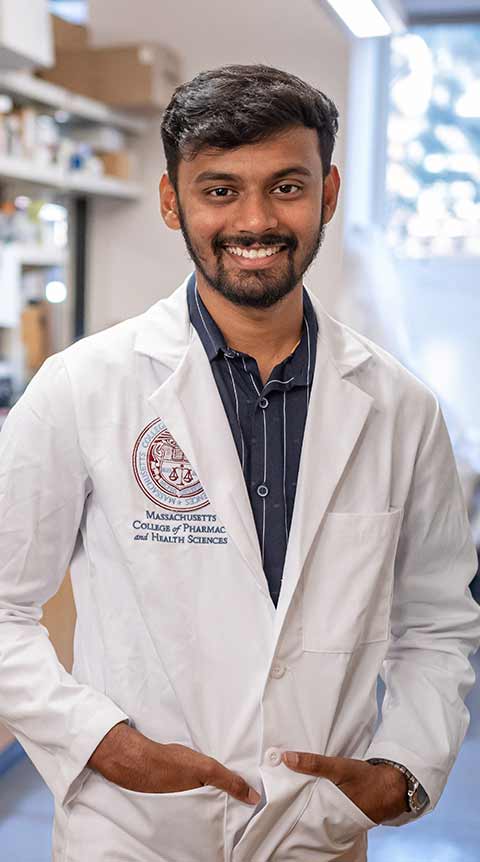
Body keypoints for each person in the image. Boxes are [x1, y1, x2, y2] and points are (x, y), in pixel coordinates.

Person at [0, 64, 479, 862]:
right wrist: (106, 745)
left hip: (316, 833)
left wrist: (404, 769)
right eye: (219, 189)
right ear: (170, 201)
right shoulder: (86, 387)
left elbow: (437, 622)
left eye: (285, 187)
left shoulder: (400, 409)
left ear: (327, 194)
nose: (254, 219)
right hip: (133, 832)